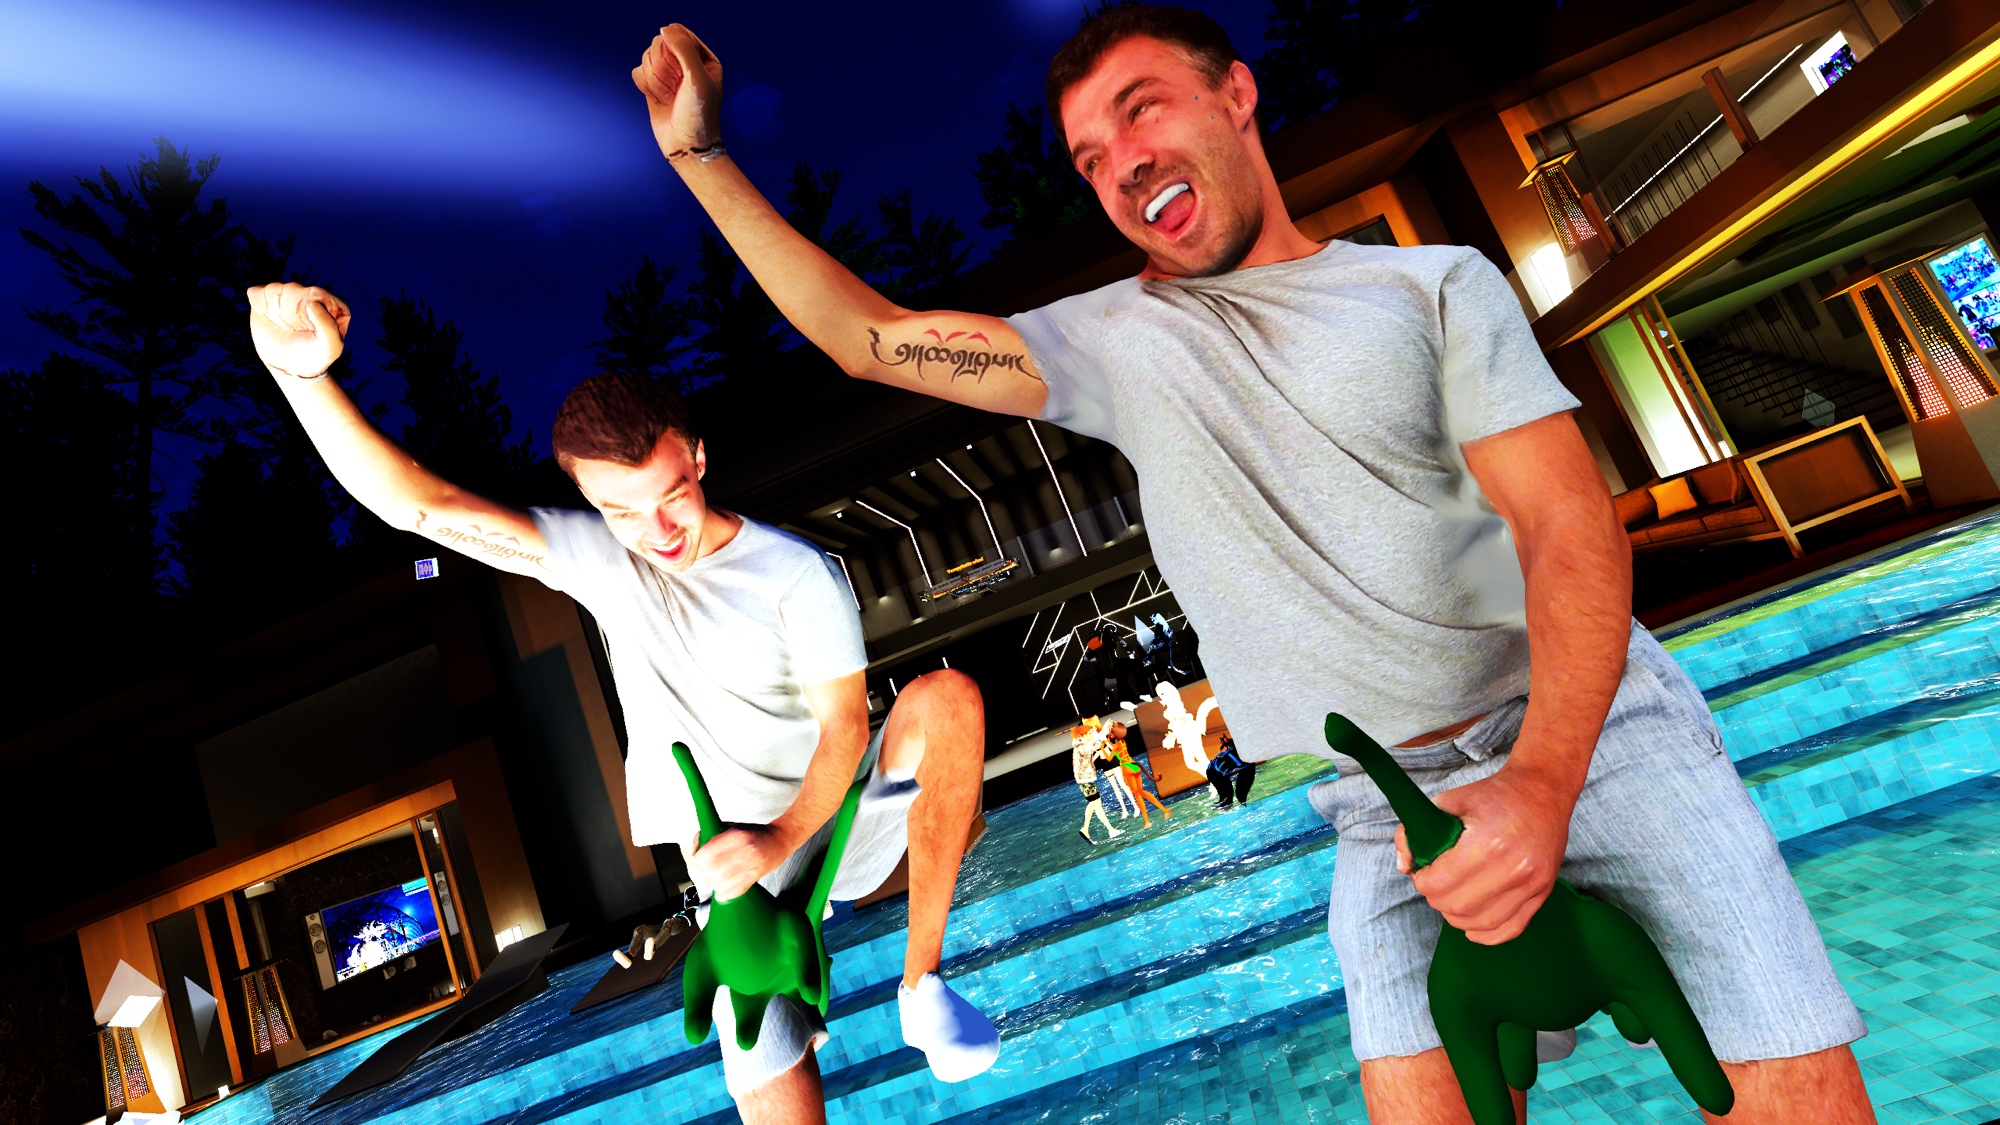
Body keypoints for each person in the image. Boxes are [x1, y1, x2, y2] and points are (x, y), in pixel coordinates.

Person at [631, 9, 1873, 1123]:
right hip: (1377, 809)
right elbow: (867, 339)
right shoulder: (1109, 343)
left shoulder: (1433, 287)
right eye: (1088, 159)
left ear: (1236, 93)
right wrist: (699, 157)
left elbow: (1566, 529)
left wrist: (1542, 785)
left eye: (1141, 111)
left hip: (1591, 744)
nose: (1121, 164)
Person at [239, 286, 999, 1124]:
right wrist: (303, 378)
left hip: (831, 822)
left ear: (698, 457)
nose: (658, 530)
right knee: (770, 1080)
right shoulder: (605, 564)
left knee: (949, 698)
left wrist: (781, 837)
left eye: (671, 494)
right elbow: (421, 506)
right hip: (731, 872)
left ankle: (923, 985)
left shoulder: (793, 573)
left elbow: (846, 727)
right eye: (622, 510)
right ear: (590, 500)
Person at [1107, 720, 1171, 827]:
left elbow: (1109, 758)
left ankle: (1147, 822)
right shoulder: (1122, 742)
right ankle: (1165, 810)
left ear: (1114, 734)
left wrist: (1102, 747)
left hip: (1127, 768)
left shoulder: (1116, 745)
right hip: (1134, 766)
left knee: (1137, 795)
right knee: (1141, 791)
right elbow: (1115, 748)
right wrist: (1107, 742)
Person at [1071, 719, 1122, 843]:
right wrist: (1103, 732)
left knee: (1094, 804)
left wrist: (1100, 732)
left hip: (1085, 779)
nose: (1091, 734)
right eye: (1090, 733)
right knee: (1097, 805)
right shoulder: (1082, 746)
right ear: (1084, 734)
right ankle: (1110, 830)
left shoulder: (1081, 742)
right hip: (1085, 780)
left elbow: (1094, 742)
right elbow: (1096, 745)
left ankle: (1085, 829)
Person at [1206, 731, 1254, 810]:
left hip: (1217, 770)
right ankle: (1235, 802)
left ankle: (1234, 802)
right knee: (1231, 796)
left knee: (1230, 796)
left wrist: (1227, 741)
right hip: (1217, 771)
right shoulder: (1245, 760)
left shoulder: (1243, 756)